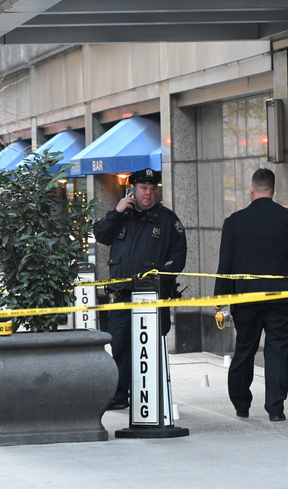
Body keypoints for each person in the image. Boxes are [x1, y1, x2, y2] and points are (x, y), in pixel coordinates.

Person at [214, 168, 288, 421]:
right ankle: (276, 409)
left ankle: (241, 404)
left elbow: (226, 264)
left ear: (252, 189)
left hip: (246, 298)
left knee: (245, 348)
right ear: (273, 190)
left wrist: (220, 297)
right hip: (281, 297)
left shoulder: (234, 221)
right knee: (277, 349)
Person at [94, 168, 187, 410]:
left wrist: (158, 276)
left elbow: (178, 257)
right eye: (144, 188)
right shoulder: (121, 216)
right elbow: (100, 234)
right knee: (120, 345)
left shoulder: (168, 220)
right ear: (133, 190)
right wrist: (117, 211)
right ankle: (119, 394)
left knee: (150, 346)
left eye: (152, 189)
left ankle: (151, 393)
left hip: (152, 297)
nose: (148, 193)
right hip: (122, 295)